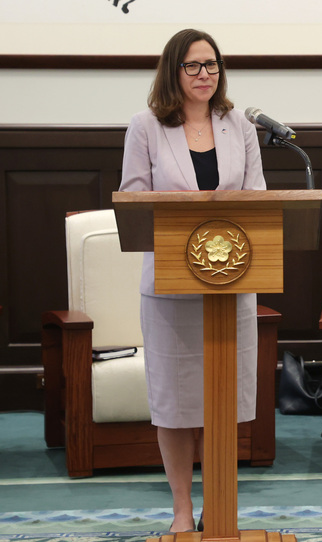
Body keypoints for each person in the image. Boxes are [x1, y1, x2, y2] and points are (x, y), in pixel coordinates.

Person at [119, 29, 266, 531]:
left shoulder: (240, 125)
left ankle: (219, 504)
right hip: (171, 287)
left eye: (212, 65)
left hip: (232, 284)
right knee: (175, 402)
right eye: (193, 66)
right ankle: (182, 509)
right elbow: (134, 202)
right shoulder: (145, 126)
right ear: (173, 72)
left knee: (223, 399)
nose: (205, 74)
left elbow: (258, 200)